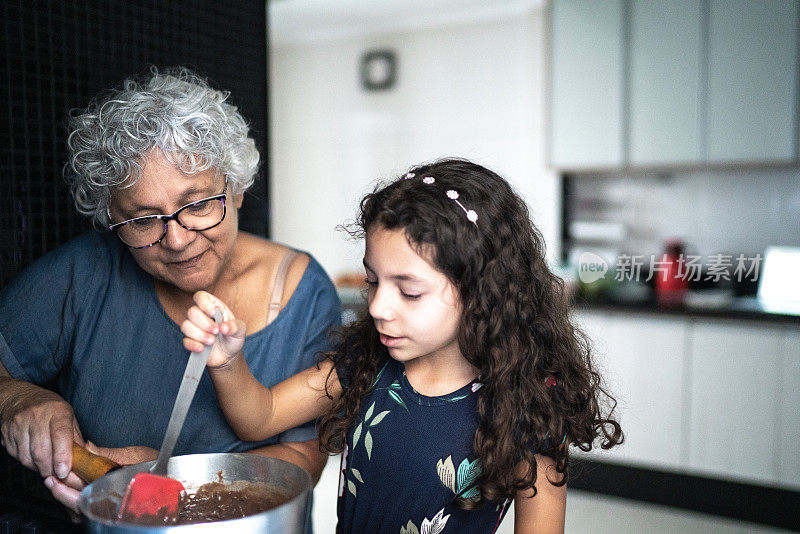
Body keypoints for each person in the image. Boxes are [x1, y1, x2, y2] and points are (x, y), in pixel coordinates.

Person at [182, 158, 623, 533]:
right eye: (373, 281)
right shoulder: (367, 361)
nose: (377, 307)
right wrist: (227, 362)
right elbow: (260, 419)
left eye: (408, 291)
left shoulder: (528, 404)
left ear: (483, 292)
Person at [0, 68, 340, 515]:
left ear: (235, 189)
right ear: (112, 219)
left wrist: (176, 482)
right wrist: (19, 398)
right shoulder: (83, 271)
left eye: (197, 205)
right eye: (142, 220)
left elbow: (302, 460)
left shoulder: (305, 292)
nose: (177, 241)